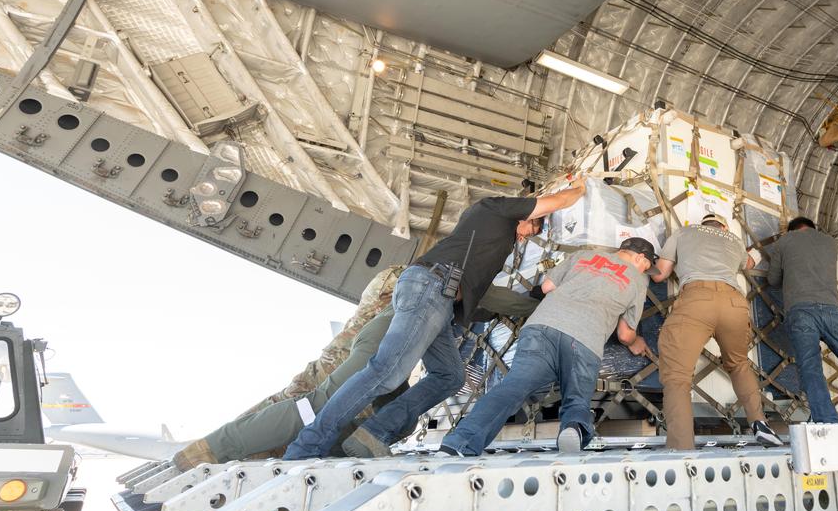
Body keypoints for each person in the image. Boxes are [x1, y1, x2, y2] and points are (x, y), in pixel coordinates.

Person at [284, 181, 586, 459]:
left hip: (440, 301)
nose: (525, 237)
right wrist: (581, 189)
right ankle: (307, 446)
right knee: (385, 371)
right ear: (525, 214)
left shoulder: (490, 242)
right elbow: (557, 201)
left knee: (449, 376)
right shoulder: (494, 209)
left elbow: (484, 298)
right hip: (430, 287)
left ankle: (373, 434)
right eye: (531, 228)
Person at [170, 265, 403, 469]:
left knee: (294, 412)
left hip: (335, 366)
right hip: (338, 369)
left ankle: (209, 454)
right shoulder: (401, 292)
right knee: (303, 413)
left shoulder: (398, 288)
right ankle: (207, 455)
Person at [440, 238, 656, 456]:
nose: (645, 271)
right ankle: (573, 428)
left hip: (541, 327)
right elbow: (624, 334)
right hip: (584, 337)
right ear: (640, 257)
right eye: (646, 266)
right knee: (576, 398)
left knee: (512, 388)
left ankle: (459, 441)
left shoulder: (583, 255)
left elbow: (546, 287)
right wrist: (635, 342)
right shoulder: (637, 280)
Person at [649, 214, 781, 449]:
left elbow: (660, 274)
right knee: (739, 364)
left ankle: (682, 447)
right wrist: (759, 250)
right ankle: (760, 423)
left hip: (696, 300)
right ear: (724, 226)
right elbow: (749, 264)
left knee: (677, 377)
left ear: (703, 224)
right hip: (734, 303)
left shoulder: (683, 232)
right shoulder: (733, 239)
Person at [768, 217, 838, 424]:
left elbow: (773, 280)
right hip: (832, 310)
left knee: (811, 368)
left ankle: (828, 420)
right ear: (812, 228)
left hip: (801, 310)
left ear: (791, 230)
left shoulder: (784, 242)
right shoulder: (830, 242)